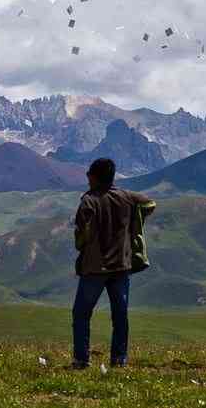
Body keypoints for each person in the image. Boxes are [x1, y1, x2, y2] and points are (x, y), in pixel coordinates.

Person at [71, 157, 156, 370]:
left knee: (81, 313)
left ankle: (82, 359)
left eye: (89, 174)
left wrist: (82, 245)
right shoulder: (126, 197)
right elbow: (149, 203)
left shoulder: (89, 201)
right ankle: (119, 359)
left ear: (94, 176)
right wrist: (134, 221)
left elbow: (83, 234)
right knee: (120, 315)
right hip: (121, 265)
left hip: (94, 268)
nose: (87, 177)